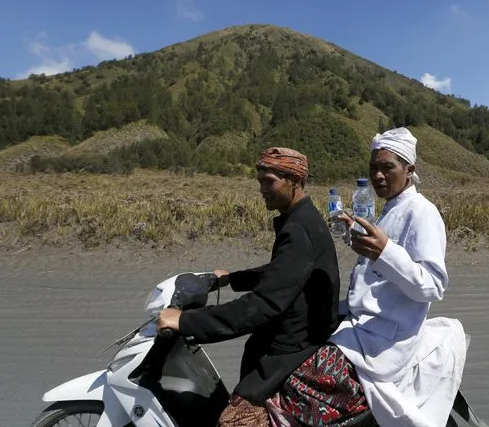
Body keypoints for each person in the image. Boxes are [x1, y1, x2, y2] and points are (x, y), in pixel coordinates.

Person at [156, 147, 342, 427]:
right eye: (259, 181)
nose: (262, 189)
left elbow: (264, 304)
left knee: (231, 423)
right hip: (298, 335)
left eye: (270, 181)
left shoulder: (298, 230)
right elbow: (284, 272)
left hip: (291, 348)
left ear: (295, 180)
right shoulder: (303, 218)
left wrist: (187, 321)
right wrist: (234, 278)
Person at [329, 127, 468, 427]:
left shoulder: (422, 213)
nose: (379, 175)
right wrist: (355, 235)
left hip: (385, 339)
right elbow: (379, 276)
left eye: (387, 167)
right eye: (374, 168)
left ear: (409, 170)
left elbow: (432, 285)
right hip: (362, 324)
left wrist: (384, 253)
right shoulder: (389, 210)